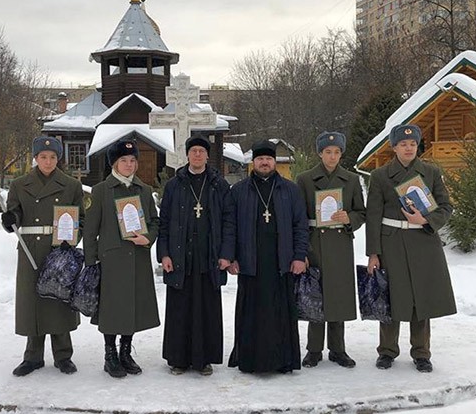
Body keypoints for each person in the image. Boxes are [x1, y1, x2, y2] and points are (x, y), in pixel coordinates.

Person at [366, 124, 456, 373]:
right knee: (391, 297)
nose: (408, 148)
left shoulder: (430, 172)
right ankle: (387, 351)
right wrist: (373, 252)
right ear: (394, 147)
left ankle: (421, 353)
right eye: (403, 144)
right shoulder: (380, 176)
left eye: (413, 144)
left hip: (423, 242)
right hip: (391, 242)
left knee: (421, 299)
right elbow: (373, 215)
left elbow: (446, 206)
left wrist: (426, 220)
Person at [222, 139, 309, 374]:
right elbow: (229, 226)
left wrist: (299, 256)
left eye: (268, 159)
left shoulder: (290, 190)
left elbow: (300, 226)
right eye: (260, 159)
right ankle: (249, 361)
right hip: (250, 262)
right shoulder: (238, 191)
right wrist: (230, 257)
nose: (264, 162)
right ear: (253, 163)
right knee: (252, 314)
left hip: (282, 262)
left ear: (274, 162)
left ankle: (283, 361)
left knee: (280, 313)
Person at [2, 136, 84, 377]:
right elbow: (15, 212)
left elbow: (80, 219)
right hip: (31, 249)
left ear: (59, 159)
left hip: (59, 249)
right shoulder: (19, 184)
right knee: (33, 302)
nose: (48, 161)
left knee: (58, 301)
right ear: (35, 158)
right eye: (43, 157)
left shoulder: (71, 185)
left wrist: (71, 243)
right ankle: (33, 357)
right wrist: (10, 220)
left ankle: (63, 355)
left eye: (52, 157)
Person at [83, 138, 160, 378]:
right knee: (112, 309)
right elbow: (90, 229)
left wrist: (147, 237)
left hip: (137, 258)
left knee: (133, 307)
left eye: (133, 160)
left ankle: (126, 352)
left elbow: (155, 221)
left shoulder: (144, 190)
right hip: (111, 260)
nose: (129, 165)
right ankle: (110, 355)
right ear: (114, 164)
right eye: (124, 160)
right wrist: (91, 261)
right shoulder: (100, 191)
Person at [158, 135, 232, 376]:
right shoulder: (174, 184)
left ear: (207, 156)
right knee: (180, 309)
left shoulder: (218, 184)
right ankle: (178, 359)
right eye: (194, 151)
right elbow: (165, 222)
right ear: (187, 155)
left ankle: (204, 359)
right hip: (180, 256)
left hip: (209, 256)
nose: (197, 155)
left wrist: (226, 254)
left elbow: (228, 221)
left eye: (201, 151)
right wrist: (164, 253)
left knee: (206, 309)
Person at [295, 131, 366, 369]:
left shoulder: (352, 180)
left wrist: (350, 218)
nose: (332, 156)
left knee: (339, 296)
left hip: (340, 243)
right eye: (328, 152)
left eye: (336, 152)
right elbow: (298, 217)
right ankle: (313, 349)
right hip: (315, 241)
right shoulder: (305, 179)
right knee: (316, 296)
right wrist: (301, 250)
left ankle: (338, 349)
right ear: (319, 153)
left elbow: (361, 212)